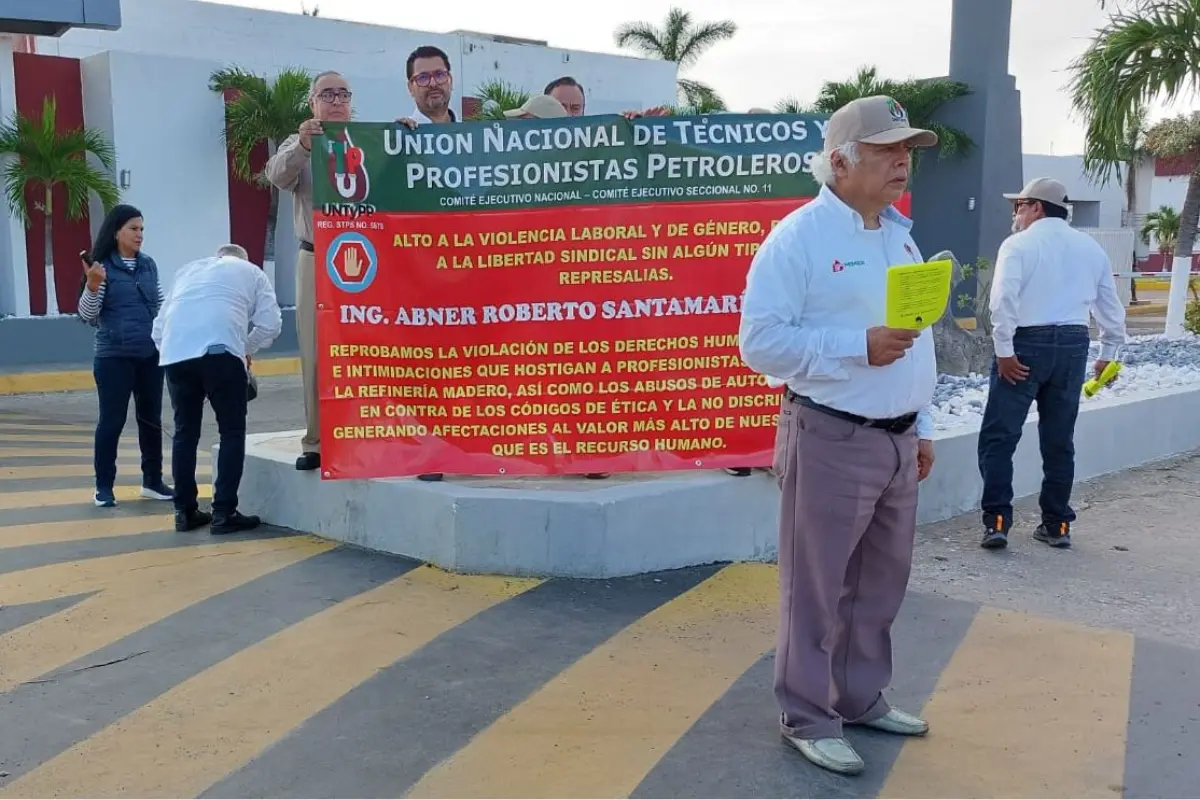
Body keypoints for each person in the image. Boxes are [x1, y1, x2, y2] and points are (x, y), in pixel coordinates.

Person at [738, 95, 940, 776]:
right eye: (887, 150)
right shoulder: (798, 238)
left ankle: (858, 698)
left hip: (895, 441)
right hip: (830, 434)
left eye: (907, 150)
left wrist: (922, 424)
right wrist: (857, 346)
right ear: (841, 160)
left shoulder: (896, 233)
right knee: (816, 587)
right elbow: (760, 345)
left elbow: (917, 338)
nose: (902, 162)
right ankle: (807, 714)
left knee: (879, 584)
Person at [977, 177, 1127, 550]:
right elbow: (1110, 307)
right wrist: (1108, 354)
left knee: (1000, 436)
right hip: (1074, 345)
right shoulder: (1090, 248)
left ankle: (997, 521)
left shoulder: (1018, 245)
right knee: (1059, 440)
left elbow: (1002, 302)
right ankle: (1057, 524)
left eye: (1020, 206)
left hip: (1027, 344)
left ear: (1037, 207)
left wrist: (1004, 351)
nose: (1016, 214)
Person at [151, 244, 282, 534]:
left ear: (219, 256)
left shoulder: (187, 271)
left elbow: (158, 329)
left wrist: (176, 352)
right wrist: (243, 350)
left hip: (175, 355)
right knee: (232, 431)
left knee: (185, 432)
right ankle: (223, 513)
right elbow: (271, 325)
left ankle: (184, 513)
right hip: (221, 353)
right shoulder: (252, 272)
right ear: (243, 259)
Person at [265, 70, 352, 472]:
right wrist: (302, 145)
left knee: (375, 350)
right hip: (317, 256)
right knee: (317, 353)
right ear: (312, 103)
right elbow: (278, 175)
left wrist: (404, 136)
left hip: (371, 260)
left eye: (342, 94)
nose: (335, 101)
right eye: (326, 94)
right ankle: (316, 440)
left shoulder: (372, 138)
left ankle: (371, 432)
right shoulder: (300, 142)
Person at [77, 204, 175, 508]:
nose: (139, 235)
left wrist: (166, 343)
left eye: (142, 229)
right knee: (112, 421)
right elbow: (88, 316)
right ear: (117, 231)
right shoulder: (102, 267)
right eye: (133, 229)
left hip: (148, 355)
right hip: (113, 357)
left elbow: (158, 308)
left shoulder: (148, 266)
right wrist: (92, 287)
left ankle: (153, 482)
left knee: (151, 420)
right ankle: (103, 487)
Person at [405, 45, 457, 124]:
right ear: (410, 88)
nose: (433, 84)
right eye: (423, 77)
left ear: (451, 80)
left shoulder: (473, 134)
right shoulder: (397, 134)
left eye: (439, 75)